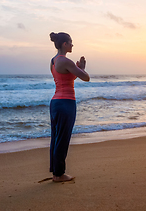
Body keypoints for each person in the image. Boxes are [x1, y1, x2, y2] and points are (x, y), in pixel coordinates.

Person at [49, 32, 90, 182]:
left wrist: (76, 69)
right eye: (70, 42)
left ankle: (56, 172)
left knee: (56, 138)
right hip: (66, 102)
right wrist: (82, 68)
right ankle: (59, 175)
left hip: (55, 103)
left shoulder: (53, 61)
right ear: (64, 44)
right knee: (63, 139)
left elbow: (64, 78)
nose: (72, 45)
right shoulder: (66, 61)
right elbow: (86, 77)